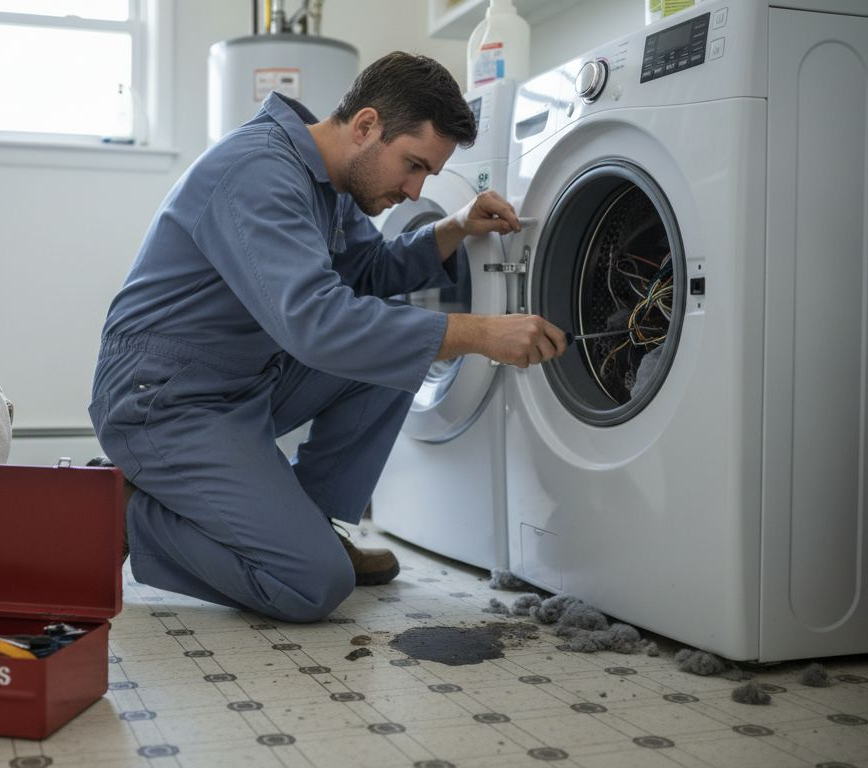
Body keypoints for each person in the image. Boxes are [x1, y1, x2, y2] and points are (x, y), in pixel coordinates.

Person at [88, 51, 566, 623]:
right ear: (366, 126)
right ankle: (127, 512)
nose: (415, 191)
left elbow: (369, 273)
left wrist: (454, 227)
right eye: (413, 166)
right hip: (163, 396)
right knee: (312, 583)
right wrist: (480, 333)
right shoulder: (260, 172)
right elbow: (320, 323)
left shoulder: (329, 180)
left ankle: (307, 524)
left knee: (393, 354)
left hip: (240, 380)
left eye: (427, 177)